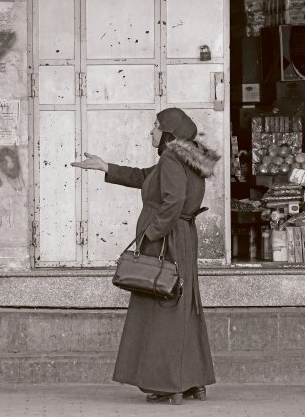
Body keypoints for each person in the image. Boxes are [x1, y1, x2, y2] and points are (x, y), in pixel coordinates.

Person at [71, 108, 220, 405]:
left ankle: (170, 385)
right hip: (181, 240)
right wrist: (106, 167)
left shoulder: (171, 158)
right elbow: (145, 177)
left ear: (169, 133)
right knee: (182, 307)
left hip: (166, 241)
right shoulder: (183, 158)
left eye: (155, 126)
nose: (150, 132)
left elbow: (173, 201)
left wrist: (151, 234)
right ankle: (192, 382)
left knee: (162, 310)